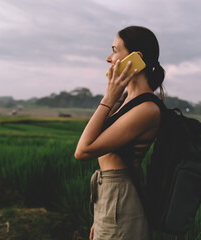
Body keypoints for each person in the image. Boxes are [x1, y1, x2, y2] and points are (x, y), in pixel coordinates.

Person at [74, 26, 165, 240]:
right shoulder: (126, 100)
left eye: (115, 50)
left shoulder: (146, 109)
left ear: (135, 58)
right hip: (111, 195)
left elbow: (83, 150)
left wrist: (108, 98)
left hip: (119, 196)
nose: (109, 58)